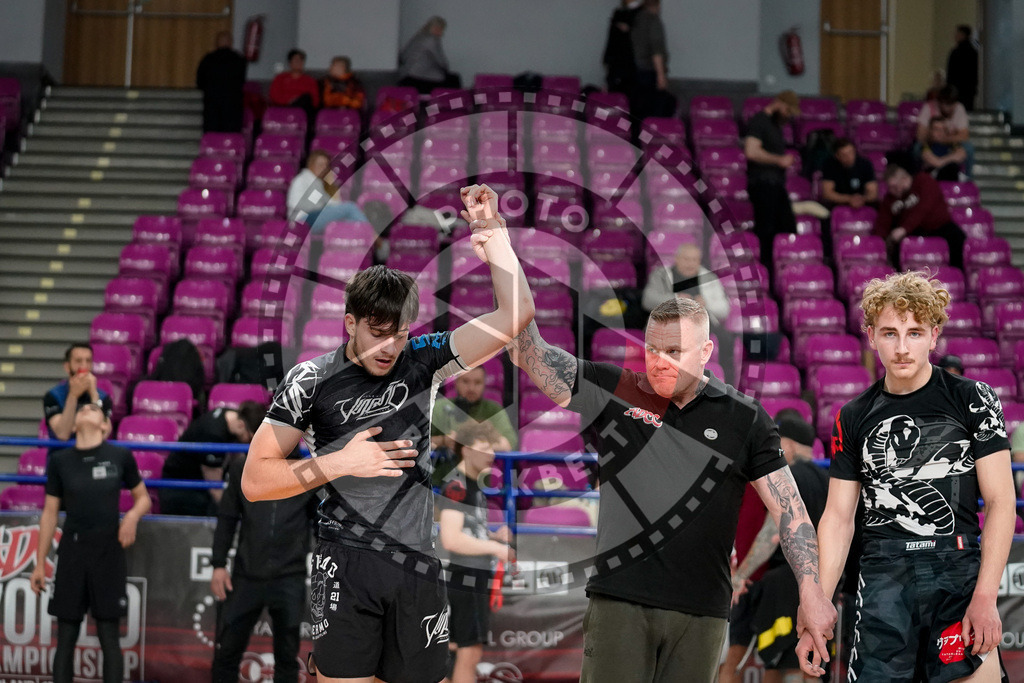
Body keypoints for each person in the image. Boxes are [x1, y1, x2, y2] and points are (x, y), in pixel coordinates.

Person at [241, 184, 533, 683]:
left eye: (400, 332)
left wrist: (496, 241)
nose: (390, 345)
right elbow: (255, 480)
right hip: (344, 562)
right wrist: (338, 462)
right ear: (350, 322)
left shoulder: (423, 358)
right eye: (378, 331)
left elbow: (513, 317)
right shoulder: (310, 379)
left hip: (417, 563)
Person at [508, 296, 836, 681]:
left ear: (706, 352)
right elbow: (532, 356)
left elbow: (791, 511)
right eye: (652, 348)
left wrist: (811, 592)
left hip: (701, 613)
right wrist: (504, 263)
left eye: (674, 350)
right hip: (620, 600)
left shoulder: (745, 418)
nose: (659, 360)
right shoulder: (618, 390)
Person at [800, 271, 1016, 681]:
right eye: (889, 334)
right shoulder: (852, 415)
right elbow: (838, 519)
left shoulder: (974, 399)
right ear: (870, 336)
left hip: (958, 571)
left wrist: (987, 596)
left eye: (914, 333)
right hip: (884, 575)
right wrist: (818, 602)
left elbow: (1002, 501)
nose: (902, 348)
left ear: (934, 336)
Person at [31, 401, 150, 683]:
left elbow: (143, 498)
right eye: (81, 409)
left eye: (93, 409)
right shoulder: (60, 461)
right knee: (66, 638)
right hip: (72, 552)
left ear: (105, 425)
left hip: (108, 552)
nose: (86, 410)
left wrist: (131, 517)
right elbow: (49, 514)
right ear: (72, 424)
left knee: (109, 637)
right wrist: (39, 563)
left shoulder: (120, 455)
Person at [722, 417, 828, 683]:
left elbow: (772, 535)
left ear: (788, 446)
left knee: (775, 664)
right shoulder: (828, 480)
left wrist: (740, 575)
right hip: (821, 584)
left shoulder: (787, 479)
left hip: (783, 582)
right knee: (811, 663)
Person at [210, 451, 318, 683]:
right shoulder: (242, 466)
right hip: (246, 575)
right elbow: (227, 515)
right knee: (227, 651)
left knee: (288, 659)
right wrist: (218, 564)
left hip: (290, 576)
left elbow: (320, 522)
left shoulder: (308, 471)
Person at [437, 421, 516, 683]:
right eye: (484, 448)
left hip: (471, 577)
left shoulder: (472, 485)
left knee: (463, 651)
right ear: (466, 450)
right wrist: (494, 547)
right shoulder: (457, 486)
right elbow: (450, 538)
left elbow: (467, 531)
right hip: (464, 578)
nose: (491, 454)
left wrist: (493, 535)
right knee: (468, 653)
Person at [642, 241, 733, 381]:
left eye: (694, 260)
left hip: (702, 324)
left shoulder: (709, 278)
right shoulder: (661, 274)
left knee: (727, 340)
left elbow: (724, 309)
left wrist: (707, 303)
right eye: (686, 259)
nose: (690, 263)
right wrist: (675, 299)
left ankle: (724, 384)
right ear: (677, 259)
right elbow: (647, 300)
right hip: (669, 323)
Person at [160, 401, 266, 516]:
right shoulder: (213, 435)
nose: (250, 443)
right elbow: (214, 487)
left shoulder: (230, 416)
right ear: (241, 425)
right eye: (251, 438)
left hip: (196, 481)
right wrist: (236, 514)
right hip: (180, 487)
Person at [431, 365, 517, 483]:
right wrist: (443, 441)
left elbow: (508, 444)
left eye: (477, 383)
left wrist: (471, 442)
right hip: (441, 481)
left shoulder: (493, 410)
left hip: (481, 483)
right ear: (456, 382)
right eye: (465, 381)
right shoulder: (440, 407)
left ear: (484, 384)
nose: (471, 388)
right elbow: (418, 441)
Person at [745, 91, 800, 268]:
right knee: (767, 230)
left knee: (786, 226)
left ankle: (778, 269)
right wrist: (779, 160)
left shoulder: (774, 125)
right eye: (787, 110)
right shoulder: (760, 121)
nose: (788, 115)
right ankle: (765, 269)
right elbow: (751, 151)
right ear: (780, 103)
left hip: (775, 184)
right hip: (763, 183)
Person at [874, 163, 965, 270]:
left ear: (904, 179)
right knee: (896, 246)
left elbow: (924, 208)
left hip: (938, 227)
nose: (892, 190)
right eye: (890, 187)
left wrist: (904, 229)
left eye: (894, 186)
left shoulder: (924, 181)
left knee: (958, 238)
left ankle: (956, 276)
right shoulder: (890, 199)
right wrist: (879, 242)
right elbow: (882, 222)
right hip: (914, 232)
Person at [44, 343, 113, 442]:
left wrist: (94, 395)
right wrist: (73, 396)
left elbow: (103, 433)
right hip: (62, 455)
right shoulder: (53, 396)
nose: (83, 366)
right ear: (67, 367)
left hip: (93, 454)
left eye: (88, 361)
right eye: (78, 361)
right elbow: (63, 434)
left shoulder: (103, 397)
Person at [286, 149, 368, 231]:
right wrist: (321, 207)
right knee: (350, 208)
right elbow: (294, 203)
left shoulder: (319, 183)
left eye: (326, 165)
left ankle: (363, 240)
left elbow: (334, 204)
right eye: (320, 165)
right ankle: (373, 237)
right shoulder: (301, 179)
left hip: (316, 216)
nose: (324, 168)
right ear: (311, 165)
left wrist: (331, 185)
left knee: (348, 220)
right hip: (302, 218)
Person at [629, 0, 674, 119]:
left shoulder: (636, 19)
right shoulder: (653, 20)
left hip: (633, 71)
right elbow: (656, 50)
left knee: (638, 112)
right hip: (649, 72)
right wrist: (661, 75)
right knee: (655, 111)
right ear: (658, 5)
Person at [916, 85, 973, 178]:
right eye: (945, 104)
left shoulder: (959, 108)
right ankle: (916, 178)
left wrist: (941, 161)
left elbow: (964, 136)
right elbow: (920, 135)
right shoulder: (929, 107)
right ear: (940, 102)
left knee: (969, 148)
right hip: (930, 143)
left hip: (949, 145)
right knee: (916, 148)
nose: (947, 108)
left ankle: (968, 179)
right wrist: (933, 137)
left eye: (950, 104)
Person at [196, 30, 247, 133]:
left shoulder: (208, 59)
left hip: (212, 103)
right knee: (231, 134)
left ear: (216, 43)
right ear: (231, 42)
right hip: (233, 104)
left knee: (212, 133)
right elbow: (242, 80)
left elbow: (200, 81)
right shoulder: (239, 59)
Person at [398, 16, 460, 93]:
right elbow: (441, 61)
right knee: (454, 79)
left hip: (405, 76)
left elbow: (403, 56)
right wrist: (446, 68)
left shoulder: (418, 36)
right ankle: (453, 103)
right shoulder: (432, 39)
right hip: (418, 77)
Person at [820, 137, 878, 209]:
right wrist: (849, 199)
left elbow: (873, 193)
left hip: (862, 203)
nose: (849, 157)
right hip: (837, 205)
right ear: (837, 156)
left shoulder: (865, 164)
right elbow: (827, 194)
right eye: (844, 155)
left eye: (851, 152)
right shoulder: (829, 165)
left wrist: (862, 199)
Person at [602, 0, 643, 94]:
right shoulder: (619, 12)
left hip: (632, 62)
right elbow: (612, 39)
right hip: (618, 61)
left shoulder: (641, 13)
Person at [269, 48, 319, 122]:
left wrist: (298, 100)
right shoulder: (280, 78)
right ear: (290, 63)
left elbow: (315, 100)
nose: (299, 63)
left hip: (304, 110)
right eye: (296, 60)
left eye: (301, 60)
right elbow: (274, 95)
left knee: (306, 97)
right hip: (284, 107)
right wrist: (290, 101)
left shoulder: (310, 80)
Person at [923, 116, 969, 181]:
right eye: (936, 129)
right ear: (930, 131)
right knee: (951, 167)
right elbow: (935, 162)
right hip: (934, 178)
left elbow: (962, 154)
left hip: (953, 174)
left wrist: (941, 161)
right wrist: (952, 158)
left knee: (954, 169)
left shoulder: (952, 144)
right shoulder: (926, 146)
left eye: (943, 129)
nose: (940, 132)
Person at [947, 25, 979, 112]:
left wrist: (949, 88)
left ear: (963, 35)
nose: (955, 36)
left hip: (956, 90)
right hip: (969, 90)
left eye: (957, 33)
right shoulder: (974, 52)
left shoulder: (956, 52)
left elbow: (951, 73)